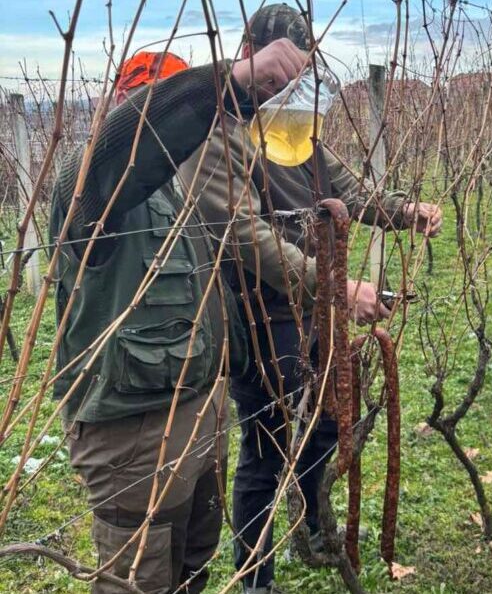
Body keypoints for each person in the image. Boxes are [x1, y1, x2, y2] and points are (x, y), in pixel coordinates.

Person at [177, 3, 442, 594]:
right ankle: (256, 577)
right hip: (260, 313)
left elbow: (345, 188)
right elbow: (246, 235)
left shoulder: (298, 128)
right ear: (246, 54)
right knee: (266, 443)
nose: (285, 89)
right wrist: (338, 286)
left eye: (297, 78)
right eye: (274, 76)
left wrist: (403, 213)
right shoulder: (216, 129)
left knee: (326, 420)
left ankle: (316, 521)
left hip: (314, 306)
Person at [51, 41, 308, 593]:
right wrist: (228, 83)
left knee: (192, 566)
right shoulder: (92, 186)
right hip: (133, 434)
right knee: (139, 582)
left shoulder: (186, 188)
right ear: (118, 102)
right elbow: (125, 149)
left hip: (199, 417)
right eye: (142, 96)